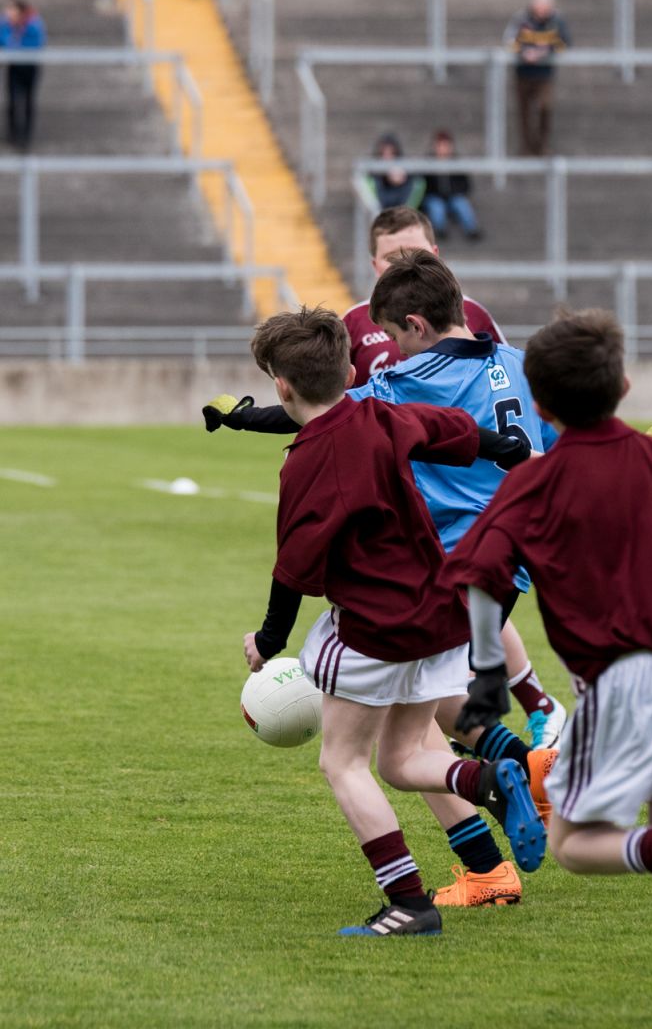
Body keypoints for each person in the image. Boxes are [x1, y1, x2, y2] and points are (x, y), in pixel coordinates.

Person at [444, 308, 652, 1029]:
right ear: (624, 384)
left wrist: (485, 674)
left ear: (538, 406)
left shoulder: (536, 481)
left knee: (576, 844)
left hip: (625, 679)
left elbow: (479, 576)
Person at [242, 305, 546, 936]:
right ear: (351, 368)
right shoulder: (380, 414)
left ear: (282, 386)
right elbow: (450, 431)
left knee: (342, 762)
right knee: (403, 759)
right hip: (438, 618)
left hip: (375, 630)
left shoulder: (306, 460)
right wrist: (506, 446)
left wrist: (269, 641)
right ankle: (489, 776)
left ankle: (409, 903)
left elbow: (293, 568)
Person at [347, 205, 500, 385]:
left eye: (415, 252)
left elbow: (502, 377)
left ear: (435, 254)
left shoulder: (473, 311)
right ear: (374, 266)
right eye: (391, 257)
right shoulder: (352, 322)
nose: (404, 263)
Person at [503, 0, 570, 157]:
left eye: (545, 8)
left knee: (545, 108)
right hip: (523, 73)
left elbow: (566, 43)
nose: (541, 12)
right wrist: (524, 53)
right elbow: (509, 41)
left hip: (544, 75)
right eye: (539, 8)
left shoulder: (557, 21)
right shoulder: (521, 20)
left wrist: (545, 51)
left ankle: (542, 145)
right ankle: (525, 147)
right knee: (524, 112)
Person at [420, 130, 482, 241]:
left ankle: (472, 230)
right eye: (440, 145)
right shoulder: (428, 163)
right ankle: (440, 231)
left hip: (452, 196)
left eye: (446, 145)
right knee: (436, 206)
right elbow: (423, 184)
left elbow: (465, 184)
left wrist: (455, 192)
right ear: (435, 146)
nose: (443, 148)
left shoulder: (456, 163)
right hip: (435, 196)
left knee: (461, 203)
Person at [0, 0, 46, 148]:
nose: (7, 12)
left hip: (29, 67)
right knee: (12, 101)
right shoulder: (6, 24)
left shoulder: (33, 24)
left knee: (28, 101)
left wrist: (12, 44)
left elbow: (34, 44)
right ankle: (13, 133)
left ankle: (26, 135)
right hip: (14, 66)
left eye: (11, 9)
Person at [362, 133, 425, 211]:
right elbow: (366, 180)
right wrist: (386, 177)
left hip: (401, 198)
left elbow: (419, 180)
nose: (387, 156)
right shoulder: (374, 171)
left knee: (417, 183)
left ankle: (405, 214)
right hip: (382, 201)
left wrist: (403, 178)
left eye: (391, 153)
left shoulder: (403, 168)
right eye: (384, 153)